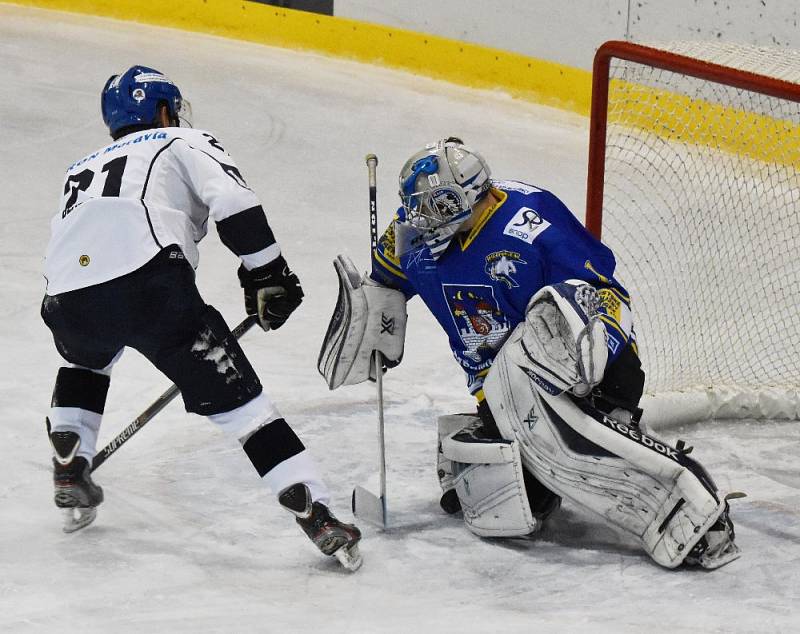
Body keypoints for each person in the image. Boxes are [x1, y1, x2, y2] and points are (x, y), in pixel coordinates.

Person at [319, 137, 740, 570]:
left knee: (594, 452)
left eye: (438, 205)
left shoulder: (531, 225)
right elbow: (385, 284)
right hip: (500, 391)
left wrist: (586, 367)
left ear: (469, 193)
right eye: (418, 205)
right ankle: (479, 438)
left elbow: (603, 297)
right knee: (513, 512)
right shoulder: (410, 237)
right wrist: (374, 314)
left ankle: (678, 496)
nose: (424, 218)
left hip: (588, 371)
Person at [41, 66, 361, 570]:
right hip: (151, 288)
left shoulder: (79, 167)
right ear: (164, 110)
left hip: (66, 299)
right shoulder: (179, 140)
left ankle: (69, 461)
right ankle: (315, 511)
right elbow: (232, 199)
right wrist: (267, 272)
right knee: (246, 410)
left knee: (86, 362)